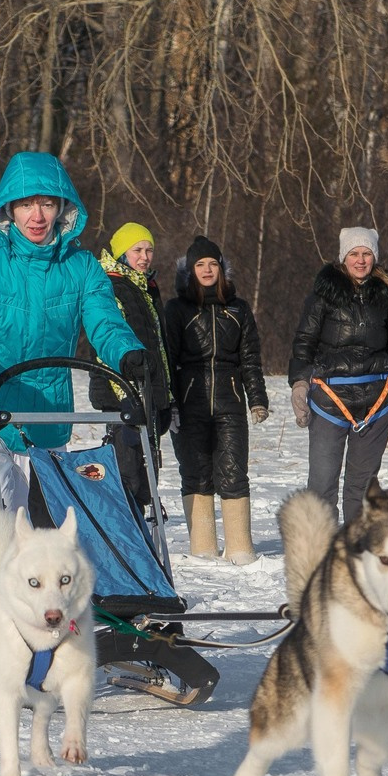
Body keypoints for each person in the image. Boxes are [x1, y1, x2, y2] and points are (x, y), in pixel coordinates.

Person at [0, 152, 149, 592]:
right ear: (8, 210)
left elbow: (104, 322)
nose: (37, 216)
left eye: (48, 204)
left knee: (38, 541)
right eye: (26, 204)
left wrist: (127, 353)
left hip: (46, 418)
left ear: (64, 209)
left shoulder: (82, 267)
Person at [288, 226, 388, 525]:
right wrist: (300, 384)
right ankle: (322, 550)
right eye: (354, 253)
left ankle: (357, 550)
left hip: (376, 401)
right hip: (330, 401)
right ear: (344, 257)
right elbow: (304, 341)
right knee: (322, 482)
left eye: (367, 254)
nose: (360, 260)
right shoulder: (323, 294)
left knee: (362, 486)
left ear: (375, 258)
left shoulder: (387, 295)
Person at [160, 236, 268, 563]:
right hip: (190, 400)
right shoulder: (177, 309)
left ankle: (240, 548)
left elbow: (250, 358)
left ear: (222, 269)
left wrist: (257, 399)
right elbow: (168, 358)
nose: (207, 270)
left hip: (230, 399)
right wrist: (171, 402)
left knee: (234, 471)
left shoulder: (238, 308)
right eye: (200, 265)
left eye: (213, 264)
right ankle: (203, 548)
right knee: (195, 472)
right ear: (189, 271)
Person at [95, 221, 172, 511]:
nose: (144, 256)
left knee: (147, 473)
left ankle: (142, 537)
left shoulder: (146, 288)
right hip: (123, 395)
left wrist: (166, 396)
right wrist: (126, 393)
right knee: (128, 475)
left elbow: (159, 348)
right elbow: (107, 346)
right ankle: (126, 538)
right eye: (137, 250)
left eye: (149, 250)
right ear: (121, 254)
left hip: (147, 392)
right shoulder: (112, 287)